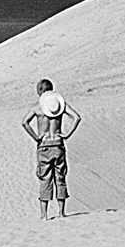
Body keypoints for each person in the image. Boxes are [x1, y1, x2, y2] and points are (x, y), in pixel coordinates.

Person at [21, 79, 81, 220]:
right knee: (60, 177)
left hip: (45, 145)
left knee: (45, 179)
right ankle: (61, 213)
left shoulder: (37, 108)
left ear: (40, 91)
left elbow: (24, 122)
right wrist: (66, 134)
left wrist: (36, 137)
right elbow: (76, 117)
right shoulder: (60, 106)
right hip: (58, 143)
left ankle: (44, 215)